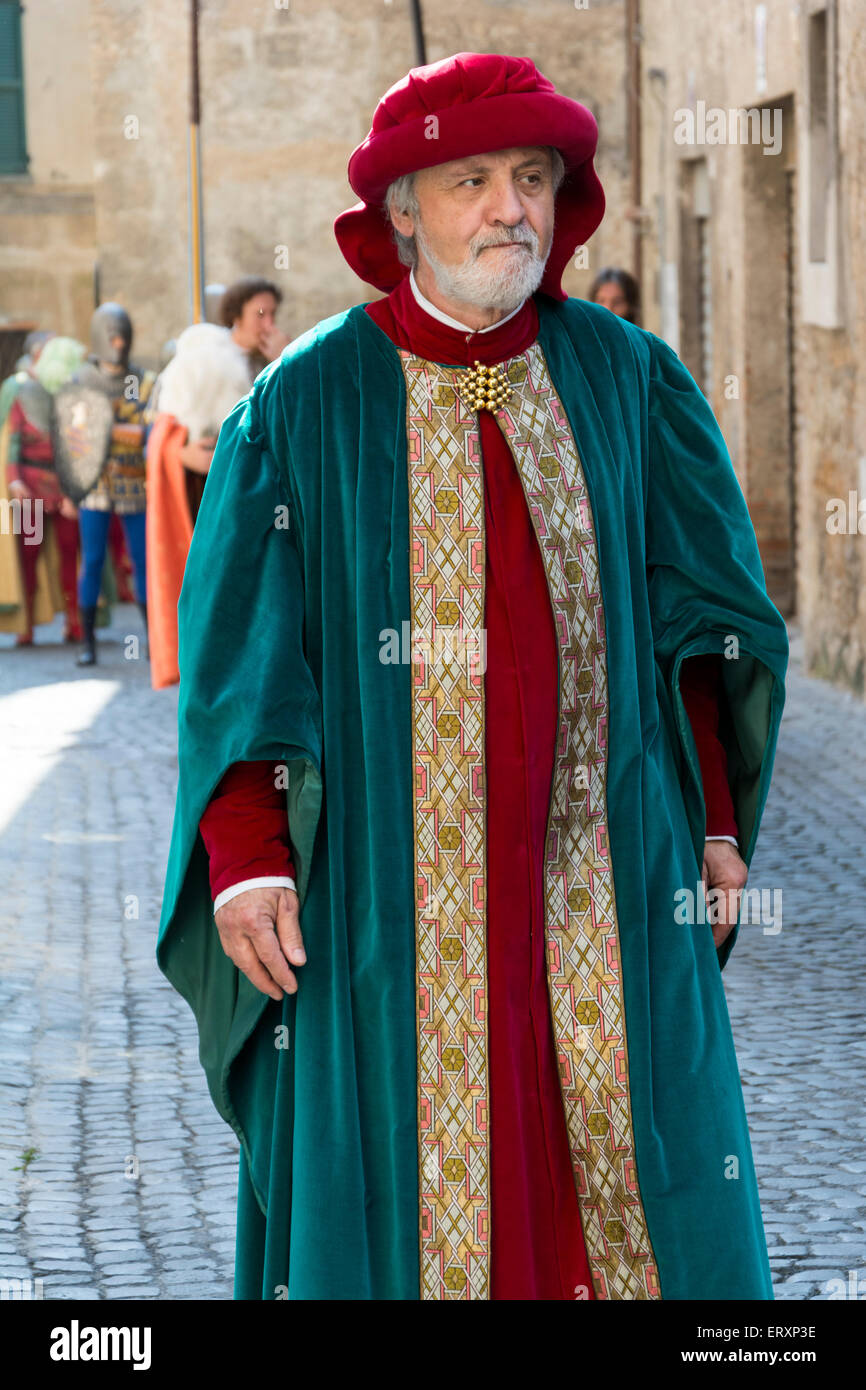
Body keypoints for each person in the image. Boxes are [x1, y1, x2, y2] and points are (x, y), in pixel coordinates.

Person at [157, 52, 788, 1302]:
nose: (511, 208)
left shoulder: (631, 380)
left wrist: (713, 823)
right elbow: (241, 651)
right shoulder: (300, 406)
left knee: (634, 1197)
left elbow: (700, 625)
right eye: (472, 181)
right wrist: (247, 852)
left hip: (604, 876)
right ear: (400, 210)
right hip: (382, 900)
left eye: (533, 178)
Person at [145, 322, 253, 689]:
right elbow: (168, 449)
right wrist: (186, 454)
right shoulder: (175, 418)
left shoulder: (237, 403)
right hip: (196, 507)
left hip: (226, 510)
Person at [69, 303, 155, 666]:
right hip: (95, 486)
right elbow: (75, 438)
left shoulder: (142, 380)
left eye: (122, 336)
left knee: (142, 561)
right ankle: (88, 643)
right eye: (112, 336)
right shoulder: (81, 381)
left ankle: (154, 641)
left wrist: (106, 429)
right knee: (92, 561)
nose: (118, 342)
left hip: (135, 483)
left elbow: (150, 431)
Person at [1, 336, 84, 644]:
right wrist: (14, 480)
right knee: (29, 556)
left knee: (68, 553)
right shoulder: (21, 391)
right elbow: (11, 443)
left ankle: (74, 622)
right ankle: (27, 626)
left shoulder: (70, 393)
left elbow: (77, 450)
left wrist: (73, 490)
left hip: (63, 491)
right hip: (31, 495)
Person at [219, 276, 289, 379]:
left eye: (273, 313)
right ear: (236, 316)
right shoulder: (215, 358)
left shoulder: (272, 357)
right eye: (260, 314)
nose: (269, 325)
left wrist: (287, 358)